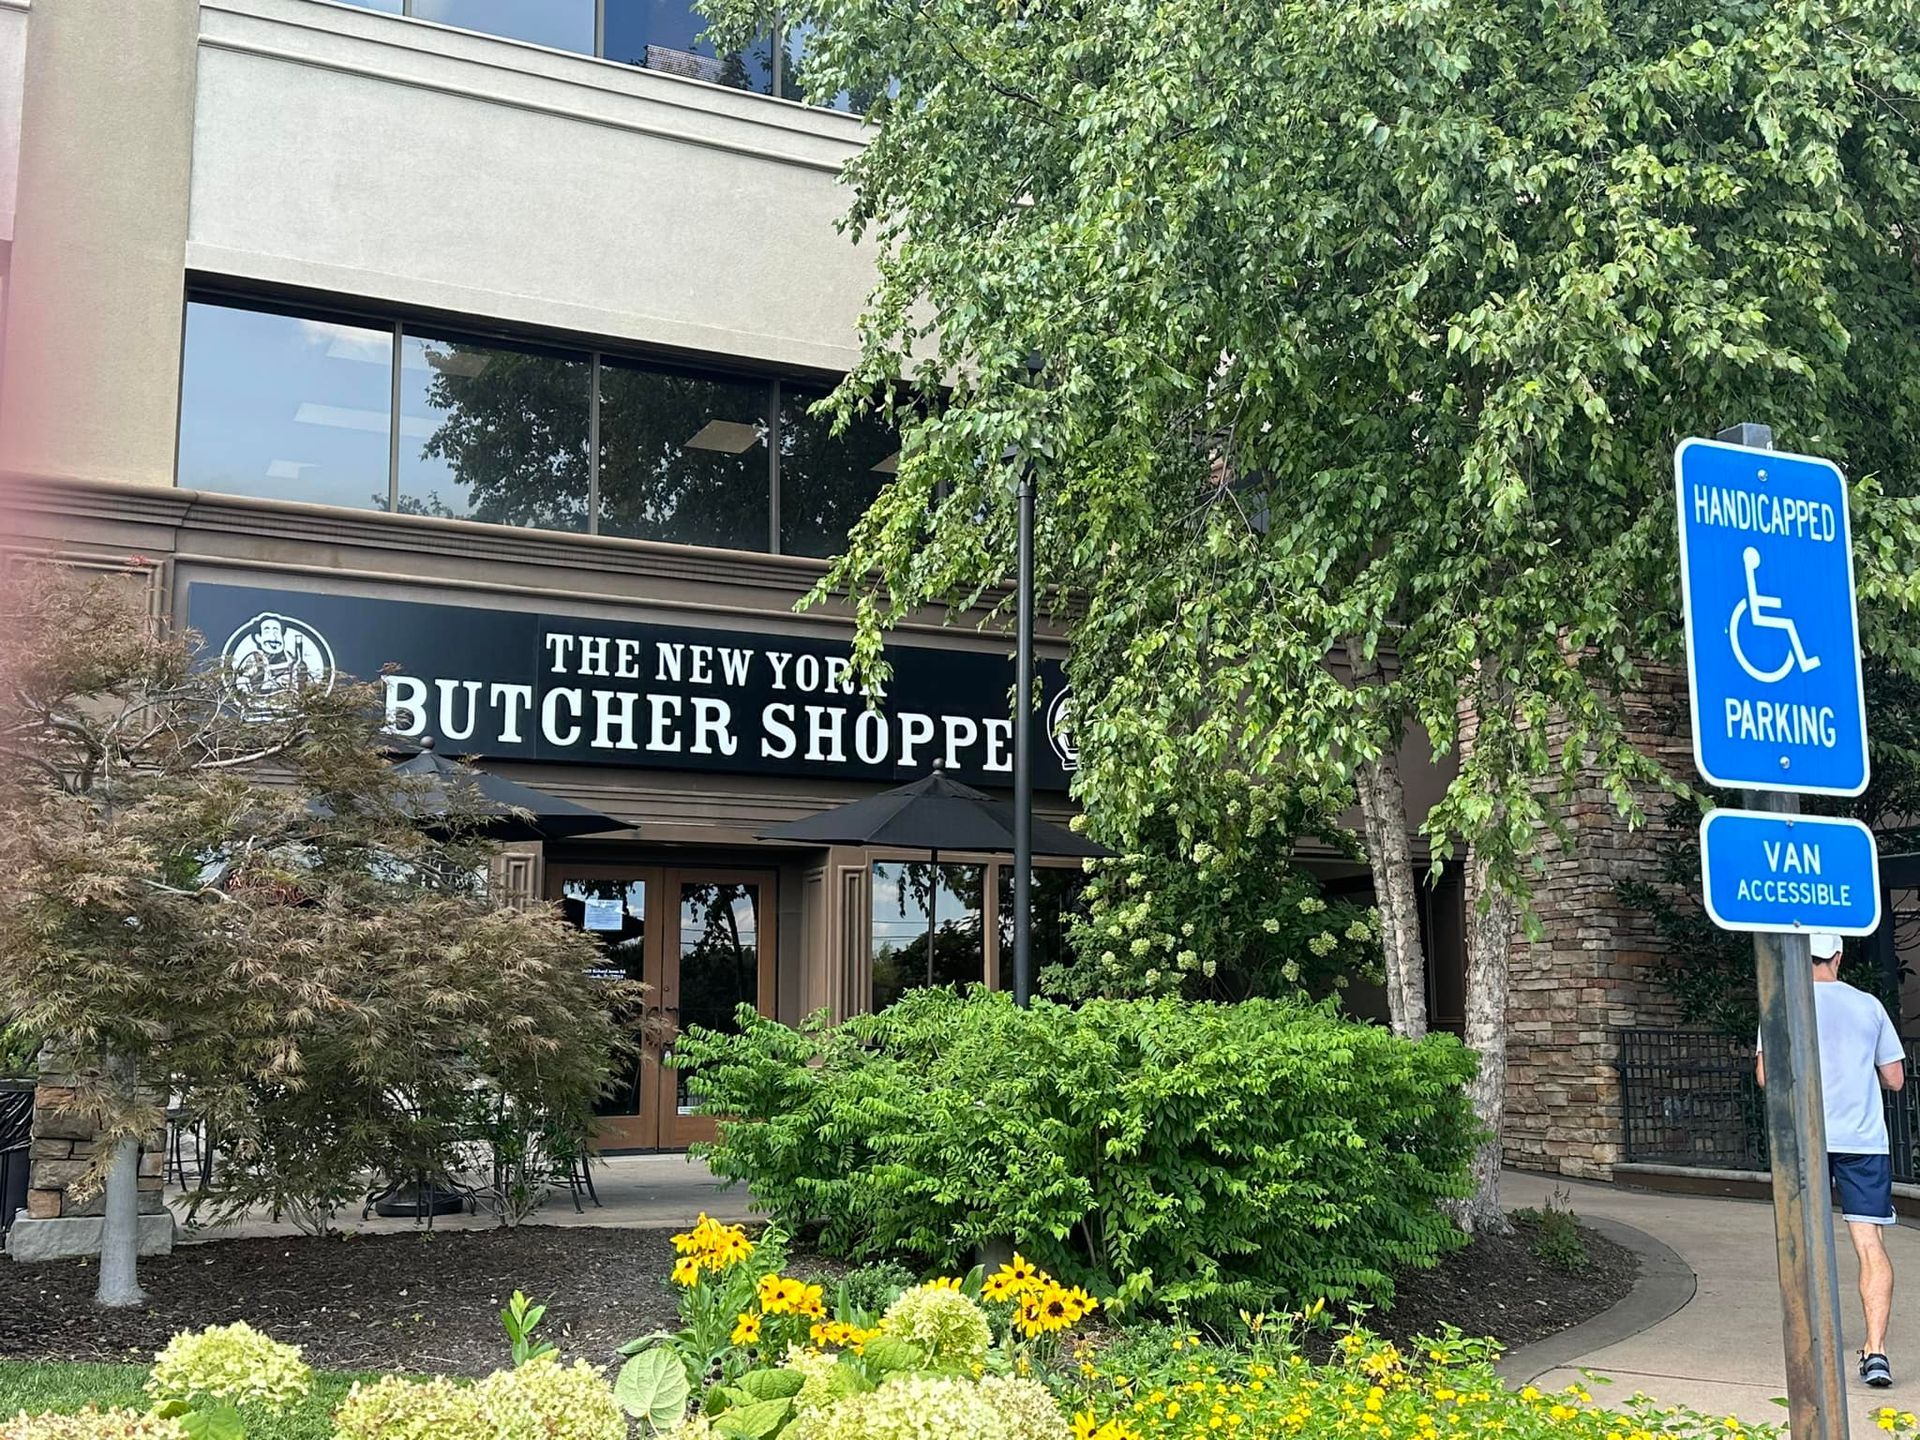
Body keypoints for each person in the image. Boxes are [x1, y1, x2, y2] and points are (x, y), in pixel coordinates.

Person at [1756, 932, 1906, 1388]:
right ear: (1839, 956)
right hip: (1862, 1141)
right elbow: (1896, 1079)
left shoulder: (1781, 1003)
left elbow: (1765, 1077)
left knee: (1806, 1239)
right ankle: (1875, 1351)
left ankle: (1811, 1338)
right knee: (1869, 1244)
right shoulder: (1869, 1006)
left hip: (1806, 1138)